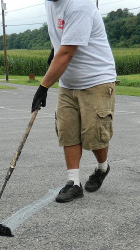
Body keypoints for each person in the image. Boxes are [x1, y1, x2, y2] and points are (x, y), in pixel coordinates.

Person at [32, 0, 117, 203]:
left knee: (94, 135)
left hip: (96, 79)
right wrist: (54, 49)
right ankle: (74, 183)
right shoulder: (50, 3)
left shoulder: (80, 5)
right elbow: (60, 36)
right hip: (68, 82)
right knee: (67, 130)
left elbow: (68, 52)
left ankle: (102, 168)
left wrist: (43, 87)